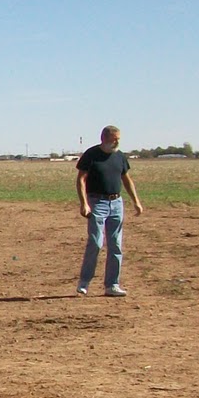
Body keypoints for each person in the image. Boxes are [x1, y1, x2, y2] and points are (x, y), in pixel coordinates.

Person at [75, 125, 143, 296]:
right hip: (97, 202)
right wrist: (84, 203)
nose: (117, 142)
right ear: (104, 138)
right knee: (96, 243)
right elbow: (81, 180)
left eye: (119, 138)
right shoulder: (91, 155)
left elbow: (126, 179)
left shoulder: (119, 156)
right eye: (115, 139)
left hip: (116, 203)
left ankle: (112, 285)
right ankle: (84, 281)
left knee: (116, 245)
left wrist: (136, 201)